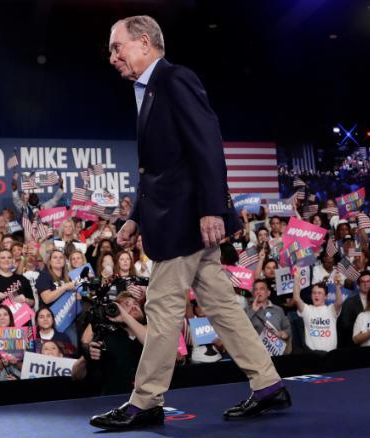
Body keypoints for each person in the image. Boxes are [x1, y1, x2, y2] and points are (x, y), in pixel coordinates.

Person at [90, 16, 287, 431]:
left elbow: (207, 144)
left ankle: (145, 401)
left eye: (117, 47)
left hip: (186, 222)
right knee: (219, 304)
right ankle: (268, 383)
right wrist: (134, 219)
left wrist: (213, 208)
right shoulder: (148, 91)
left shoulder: (175, 79)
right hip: (176, 218)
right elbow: (159, 170)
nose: (112, 57)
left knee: (161, 308)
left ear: (144, 43)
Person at [293, 277, 342, 353]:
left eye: (319, 293)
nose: (316, 295)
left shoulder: (331, 309)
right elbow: (296, 299)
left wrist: (337, 286)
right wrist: (296, 278)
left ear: (325, 296)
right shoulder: (307, 309)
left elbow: (339, 302)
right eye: (314, 293)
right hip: (312, 354)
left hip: (330, 354)